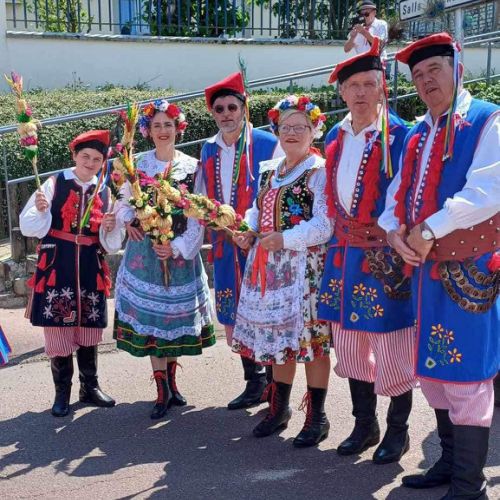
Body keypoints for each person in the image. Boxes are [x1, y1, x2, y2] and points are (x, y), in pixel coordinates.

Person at [379, 33, 499, 498]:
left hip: (468, 270)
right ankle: (449, 463)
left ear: (458, 70)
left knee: (467, 373)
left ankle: (470, 484)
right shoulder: (417, 133)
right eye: (418, 75)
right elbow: (396, 197)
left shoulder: (487, 120)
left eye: (435, 70)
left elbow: (488, 191)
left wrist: (428, 229)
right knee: (433, 371)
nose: (426, 81)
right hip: (424, 273)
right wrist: (394, 232)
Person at [318, 38, 415, 465]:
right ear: (342, 92)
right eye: (352, 85)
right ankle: (364, 424)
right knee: (350, 344)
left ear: (382, 88)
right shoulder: (335, 136)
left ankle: (398, 430)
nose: (360, 92)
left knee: (392, 345)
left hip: (385, 257)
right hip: (343, 255)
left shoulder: (401, 135)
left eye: (368, 84)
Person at [232, 95, 333, 447]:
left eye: (300, 127)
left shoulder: (319, 171)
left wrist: (286, 239)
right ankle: (279, 409)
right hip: (269, 268)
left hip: (304, 269)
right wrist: (248, 230)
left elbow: (324, 225)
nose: (291, 132)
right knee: (278, 342)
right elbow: (256, 209)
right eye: (285, 126)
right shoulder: (271, 170)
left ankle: (317, 417)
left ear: (314, 130)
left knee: (311, 345)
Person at [113, 100, 214, 419]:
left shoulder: (192, 166)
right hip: (145, 255)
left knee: (172, 320)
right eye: (156, 125)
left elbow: (197, 214)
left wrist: (178, 247)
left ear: (177, 128)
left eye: (168, 125)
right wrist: (129, 221)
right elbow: (121, 202)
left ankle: (171, 382)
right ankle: (161, 390)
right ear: (148, 131)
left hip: (177, 253)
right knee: (154, 322)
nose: (162, 130)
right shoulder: (137, 164)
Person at [20, 130, 120, 417]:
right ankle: (62, 393)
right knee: (58, 329)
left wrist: (110, 227)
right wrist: (41, 211)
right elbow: (28, 226)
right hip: (58, 263)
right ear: (74, 155)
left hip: (89, 264)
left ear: (103, 163)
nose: (90, 163)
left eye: (97, 159)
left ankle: (90, 387)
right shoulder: (54, 183)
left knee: (89, 327)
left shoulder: (105, 190)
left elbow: (111, 243)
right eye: (85, 156)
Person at [199, 72, 282, 410]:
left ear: (244, 108)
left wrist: (254, 231)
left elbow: (277, 192)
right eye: (219, 109)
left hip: (260, 244)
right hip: (225, 245)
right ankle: (254, 381)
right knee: (235, 312)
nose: (226, 114)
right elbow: (202, 197)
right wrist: (213, 222)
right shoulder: (208, 148)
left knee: (267, 312)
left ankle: (276, 386)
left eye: (232, 107)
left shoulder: (267, 142)